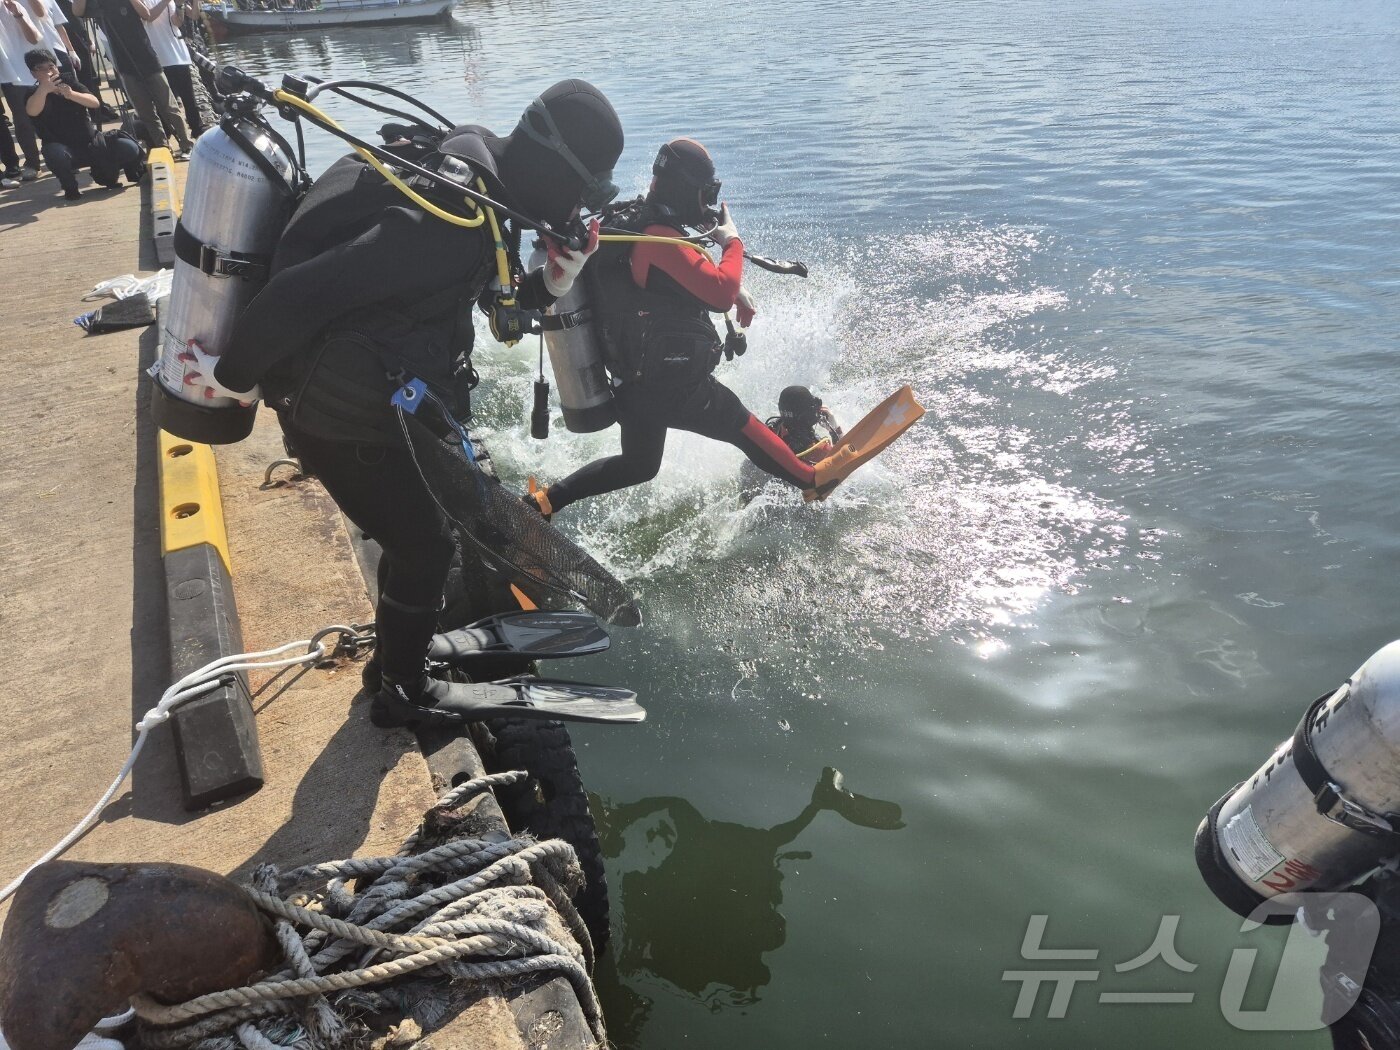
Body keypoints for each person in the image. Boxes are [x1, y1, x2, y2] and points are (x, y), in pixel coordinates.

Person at [208, 80, 624, 728]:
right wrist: (233, 378)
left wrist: (558, 277)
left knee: (425, 532)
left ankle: (391, 666)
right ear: (554, 168)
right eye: (582, 192)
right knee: (426, 546)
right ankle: (401, 692)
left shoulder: (479, 167)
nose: (575, 209)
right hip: (333, 412)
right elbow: (303, 292)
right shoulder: (445, 221)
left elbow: (497, 302)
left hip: (357, 389)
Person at [524, 139, 855, 519]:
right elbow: (718, 294)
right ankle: (810, 478)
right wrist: (732, 242)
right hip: (671, 383)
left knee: (639, 465)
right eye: (706, 192)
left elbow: (683, 280)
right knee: (735, 420)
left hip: (635, 380)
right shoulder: (658, 239)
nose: (708, 201)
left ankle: (546, 502)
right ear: (686, 188)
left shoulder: (636, 221)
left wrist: (736, 288)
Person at [72, 0, 191, 157]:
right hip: (124, 63)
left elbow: (146, 15)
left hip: (147, 57)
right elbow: (77, 11)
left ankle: (186, 144)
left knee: (168, 105)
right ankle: (162, 146)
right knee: (145, 111)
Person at [23, 47, 141, 199]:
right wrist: (44, 90)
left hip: (91, 143)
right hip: (64, 150)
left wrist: (71, 94)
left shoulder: (70, 81)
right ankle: (70, 187)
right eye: (41, 69)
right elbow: (32, 111)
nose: (48, 72)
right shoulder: (32, 93)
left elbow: (94, 103)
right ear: (33, 73)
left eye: (51, 67)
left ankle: (108, 174)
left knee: (129, 148)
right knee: (54, 153)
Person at [135, 0, 201, 137]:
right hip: (159, 56)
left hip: (178, 54)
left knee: (189, 98)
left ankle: (197, 129)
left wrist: (181, 5)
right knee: (165, 102)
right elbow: (148, 17)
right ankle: (169, 134)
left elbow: (180, 21)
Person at [0, 0, 44, 179]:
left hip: (20, 70)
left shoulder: (13, 6)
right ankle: (20, 164)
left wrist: (18, 15)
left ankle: (36, 161)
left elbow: (34, 38)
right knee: (13, 120)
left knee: (27, 117)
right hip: (6, 73)